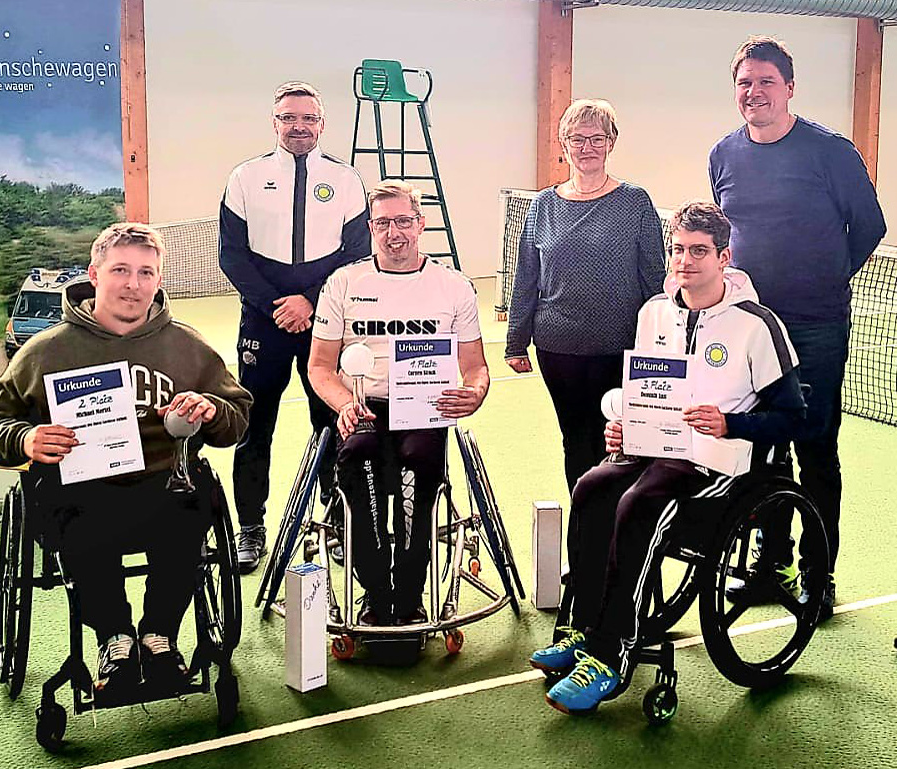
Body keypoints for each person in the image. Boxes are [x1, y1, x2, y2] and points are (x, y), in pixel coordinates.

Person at [529, 201, 805, 713]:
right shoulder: (654, 312)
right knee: (591, 486)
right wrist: (624, 426)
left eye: (699, 251)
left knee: (641, 503)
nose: (685, 261)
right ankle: (583, 629)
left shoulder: (757, 325)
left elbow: (795, 416)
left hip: (718, 463)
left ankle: (611, 656)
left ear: (725, 257)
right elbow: (645, 392)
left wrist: (733, 423)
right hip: (654, 448)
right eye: (678, 249)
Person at [0, 223, 252, 693]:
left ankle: (158, 637)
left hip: (165, 480)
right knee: (82, 523)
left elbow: (237, 416)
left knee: (192, 510)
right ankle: (115, 639)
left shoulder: (188, 346)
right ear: (94, 275)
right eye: (120, 270)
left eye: (147, 272)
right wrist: (26, 439)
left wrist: (211, 411)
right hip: (80, 487)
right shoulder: (45, 351)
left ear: (159, 279)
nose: (133, 284)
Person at [707, 36, 886, 620]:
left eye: (765, 82)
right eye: (744, 83)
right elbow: (729, 237)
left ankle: (818, 574)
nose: (753, 92)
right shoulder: (724, 155)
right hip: (750, 329)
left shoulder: (830, 152)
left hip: (815, 328)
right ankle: (768, 565)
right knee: (763, 446)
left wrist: (826, 278)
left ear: (789, 88)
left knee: (815, 449)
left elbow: (868, 226)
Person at [307, 180, 490, 625]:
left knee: (421, 460)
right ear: (371, 228)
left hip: (424, 406)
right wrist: (343, 404)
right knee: (358, 459)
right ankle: (375, 590)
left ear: (420, 224)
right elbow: (319, 368)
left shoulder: (453, 286)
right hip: (364, 406)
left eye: (404, 222)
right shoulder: (344, 283)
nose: (395, 233)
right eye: (384, 223)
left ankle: (408, 593)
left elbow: (475, 366)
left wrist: (476, 392)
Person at [220, 80, 371, 573]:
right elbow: (232, 256)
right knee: (254, 423)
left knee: (330, 420)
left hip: (323, 317)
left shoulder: (346, 180)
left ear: (321, 124)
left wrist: (309, 301)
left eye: (308, 118)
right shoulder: (245, 176)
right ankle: (250, 527)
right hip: (262, 319)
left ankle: (336, 521)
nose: (299, 126)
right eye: (289, 118)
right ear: (275, 121)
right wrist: (275, 305)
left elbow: (355, 255)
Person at [505, 98, 666, 494]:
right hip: (558, 350)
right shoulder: (543, 205)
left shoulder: (635, 202)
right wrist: (515, 342)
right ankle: (584, 533)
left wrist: (663, 343)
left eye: (597, 138)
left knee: (619, 444)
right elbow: (526, 277)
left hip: (621, 349)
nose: (587, 147)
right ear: (564, 145)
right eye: (577, 139)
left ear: (612, 143)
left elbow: (654, 279)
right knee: (576, 442)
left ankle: (618, 532)